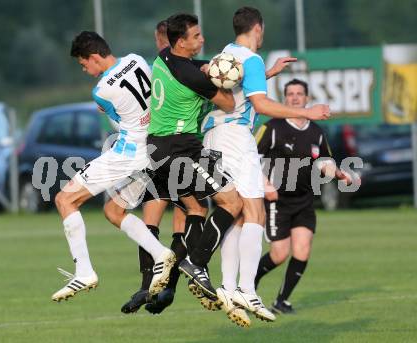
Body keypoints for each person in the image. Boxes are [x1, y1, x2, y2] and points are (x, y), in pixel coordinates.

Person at [200, 7, 331, 326]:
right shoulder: (251, 58)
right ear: (258, 28)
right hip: (236, 135)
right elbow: (260, 105)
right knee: (255, 213)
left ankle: (229, 287)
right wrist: (307, 113)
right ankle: (247, 289)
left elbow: (235, 86)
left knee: (238, 215)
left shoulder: (226, 54)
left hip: (212, 136)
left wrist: (270, 73)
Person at [51, 31, 175, 302]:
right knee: (113, 210)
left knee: (65, 199)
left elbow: (119, 124)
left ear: (94, 57)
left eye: (84, 65)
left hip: (127, 154)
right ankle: (161, 254)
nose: (86, 71)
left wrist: (107, 110)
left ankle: (84, 272)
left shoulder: (101, 90)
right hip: (153, 150)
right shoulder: (137, 59)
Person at [147, 13, 243, 301]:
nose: (202, 39)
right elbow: (228, 104)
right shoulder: (190, 76)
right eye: (197, 36)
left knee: (196, 209)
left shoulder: (163, 57)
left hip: (158, 149)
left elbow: (194, 66)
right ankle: (197, 263)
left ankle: (169, 284)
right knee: (232, 201)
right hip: (181, 149)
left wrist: (208, 69)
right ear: (180, 41)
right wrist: (221, 76)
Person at [121, 20, 213, 315]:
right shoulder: (181, 71)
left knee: (151, 219)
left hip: (152, 150)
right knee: (189, 216)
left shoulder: (157, 66)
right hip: (181, 146)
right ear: (175, 41)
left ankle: (146, 285)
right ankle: (172, 284)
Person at [254, 78, 354, 314]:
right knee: (279, 254)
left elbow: (325, 162)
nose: (295, 97)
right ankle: (248, 286)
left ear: (307, 98)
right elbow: (252, 157)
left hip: (304, 200)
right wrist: (265, 183)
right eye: (290, 94)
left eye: (300, 93)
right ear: (284, 98)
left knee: (303, 250)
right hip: (278, 201)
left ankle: (281, 301)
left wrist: (339, 175)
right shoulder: (273, 127)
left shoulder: (316, 131)